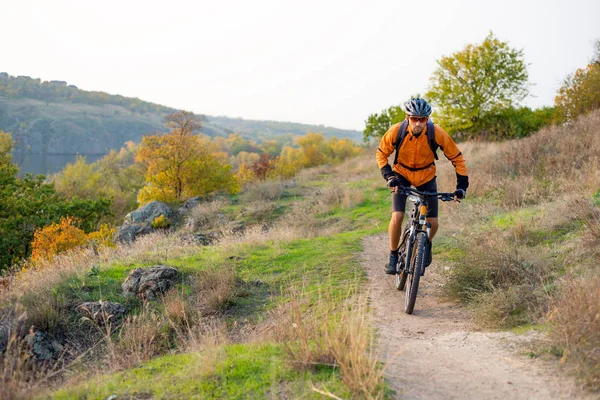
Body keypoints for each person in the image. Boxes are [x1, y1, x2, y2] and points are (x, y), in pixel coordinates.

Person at [376, 98, 468, 275]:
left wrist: (461, 186)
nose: (418, 123)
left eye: (422, 119)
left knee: (433, 223)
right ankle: (393, 255)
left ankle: (425, 244)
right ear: (407, 118)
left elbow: (457, 158)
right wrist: (389, 176)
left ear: (427, 119)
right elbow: (381, 154)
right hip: (401, 175)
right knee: (397, 216)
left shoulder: (436, 133)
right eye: (414, 119)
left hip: (426, 176)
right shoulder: (396, 131)